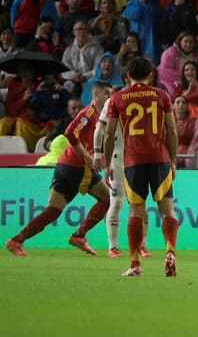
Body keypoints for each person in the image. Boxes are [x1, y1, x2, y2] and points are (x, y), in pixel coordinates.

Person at [5, 81, 112, 257]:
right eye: (106, 93)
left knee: (52, 211)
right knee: (108, 198)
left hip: (65, 166)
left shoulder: (101, 117)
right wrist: (86, 156)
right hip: (77, 166)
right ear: (96, 95)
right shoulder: (89, 113)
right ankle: (79, 235)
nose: (109, 97)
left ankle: (16, 240)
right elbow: (70, 132)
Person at [104, 57, 180, 277]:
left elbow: (109, 135)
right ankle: (170, 252)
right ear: (150, 75)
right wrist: (173, 161)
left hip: (133, 161)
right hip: (160, 158)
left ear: (128, 76)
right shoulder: (162, 95)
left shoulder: (117, 98)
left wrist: (108, 163)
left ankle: (135, 264)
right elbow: (172, 131)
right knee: (167, 211)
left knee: (136, 211)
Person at [93, 76, 150, 258]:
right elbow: (100, 130)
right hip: (118, 159)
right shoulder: (113, 102)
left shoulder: (143, 101)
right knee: (116, 202)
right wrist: (97, 155)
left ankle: (142, 245)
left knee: (140, 204)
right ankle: (113, 246)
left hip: (138, 159)